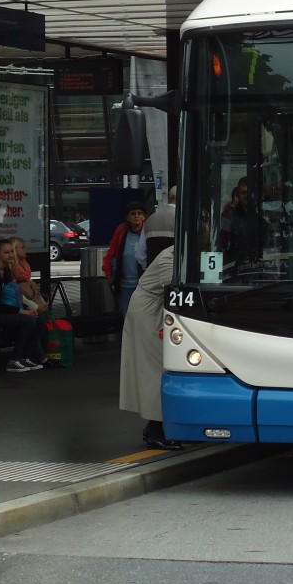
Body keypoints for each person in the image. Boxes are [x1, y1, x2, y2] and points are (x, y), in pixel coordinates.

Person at [119, 245, 182, 450]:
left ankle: (154, 427)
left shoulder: (174, 254)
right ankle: (156, 432)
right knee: (156, 369)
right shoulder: (168, 258)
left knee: (156, 368)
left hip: (153, 308)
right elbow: (172, 289)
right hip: (150, 312)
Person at [0, 238, 47, 374]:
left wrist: (27, 309)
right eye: (6, 252)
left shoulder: (7, 272)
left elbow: (12, 297)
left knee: (40, 319)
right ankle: (14, 359)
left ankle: (25, 356)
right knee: (29, 321)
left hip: (5, 310)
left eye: (11, 252)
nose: (10, 255)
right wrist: (21, 311)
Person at [103, 200, 146, 314]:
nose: (136, 216)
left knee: (140, 314)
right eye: (133, 213)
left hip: (142, 284)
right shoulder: (121, 230)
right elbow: (111, 251)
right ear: (127, 217)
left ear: (144, 217)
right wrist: (108, 272)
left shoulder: (147, 231)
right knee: (125, 314)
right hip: (124, 284)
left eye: (139, 213)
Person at [135, 186, 177, 270]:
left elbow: (140, 255)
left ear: (169, 198)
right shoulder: (183, 219)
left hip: (153, 273)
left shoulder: (150, 219)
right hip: (173, 272)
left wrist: (148, 268)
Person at [9, 236, 50, 317]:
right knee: (37, 319)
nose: (26, 249)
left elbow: (33, 290)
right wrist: (36, 307)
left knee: (41, 318)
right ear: (14, 249)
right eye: (22, 247)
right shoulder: (10, 267)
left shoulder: (24, 264)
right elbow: (18, 294)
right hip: (21, 306)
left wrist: (42, 304)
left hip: (32, 303)